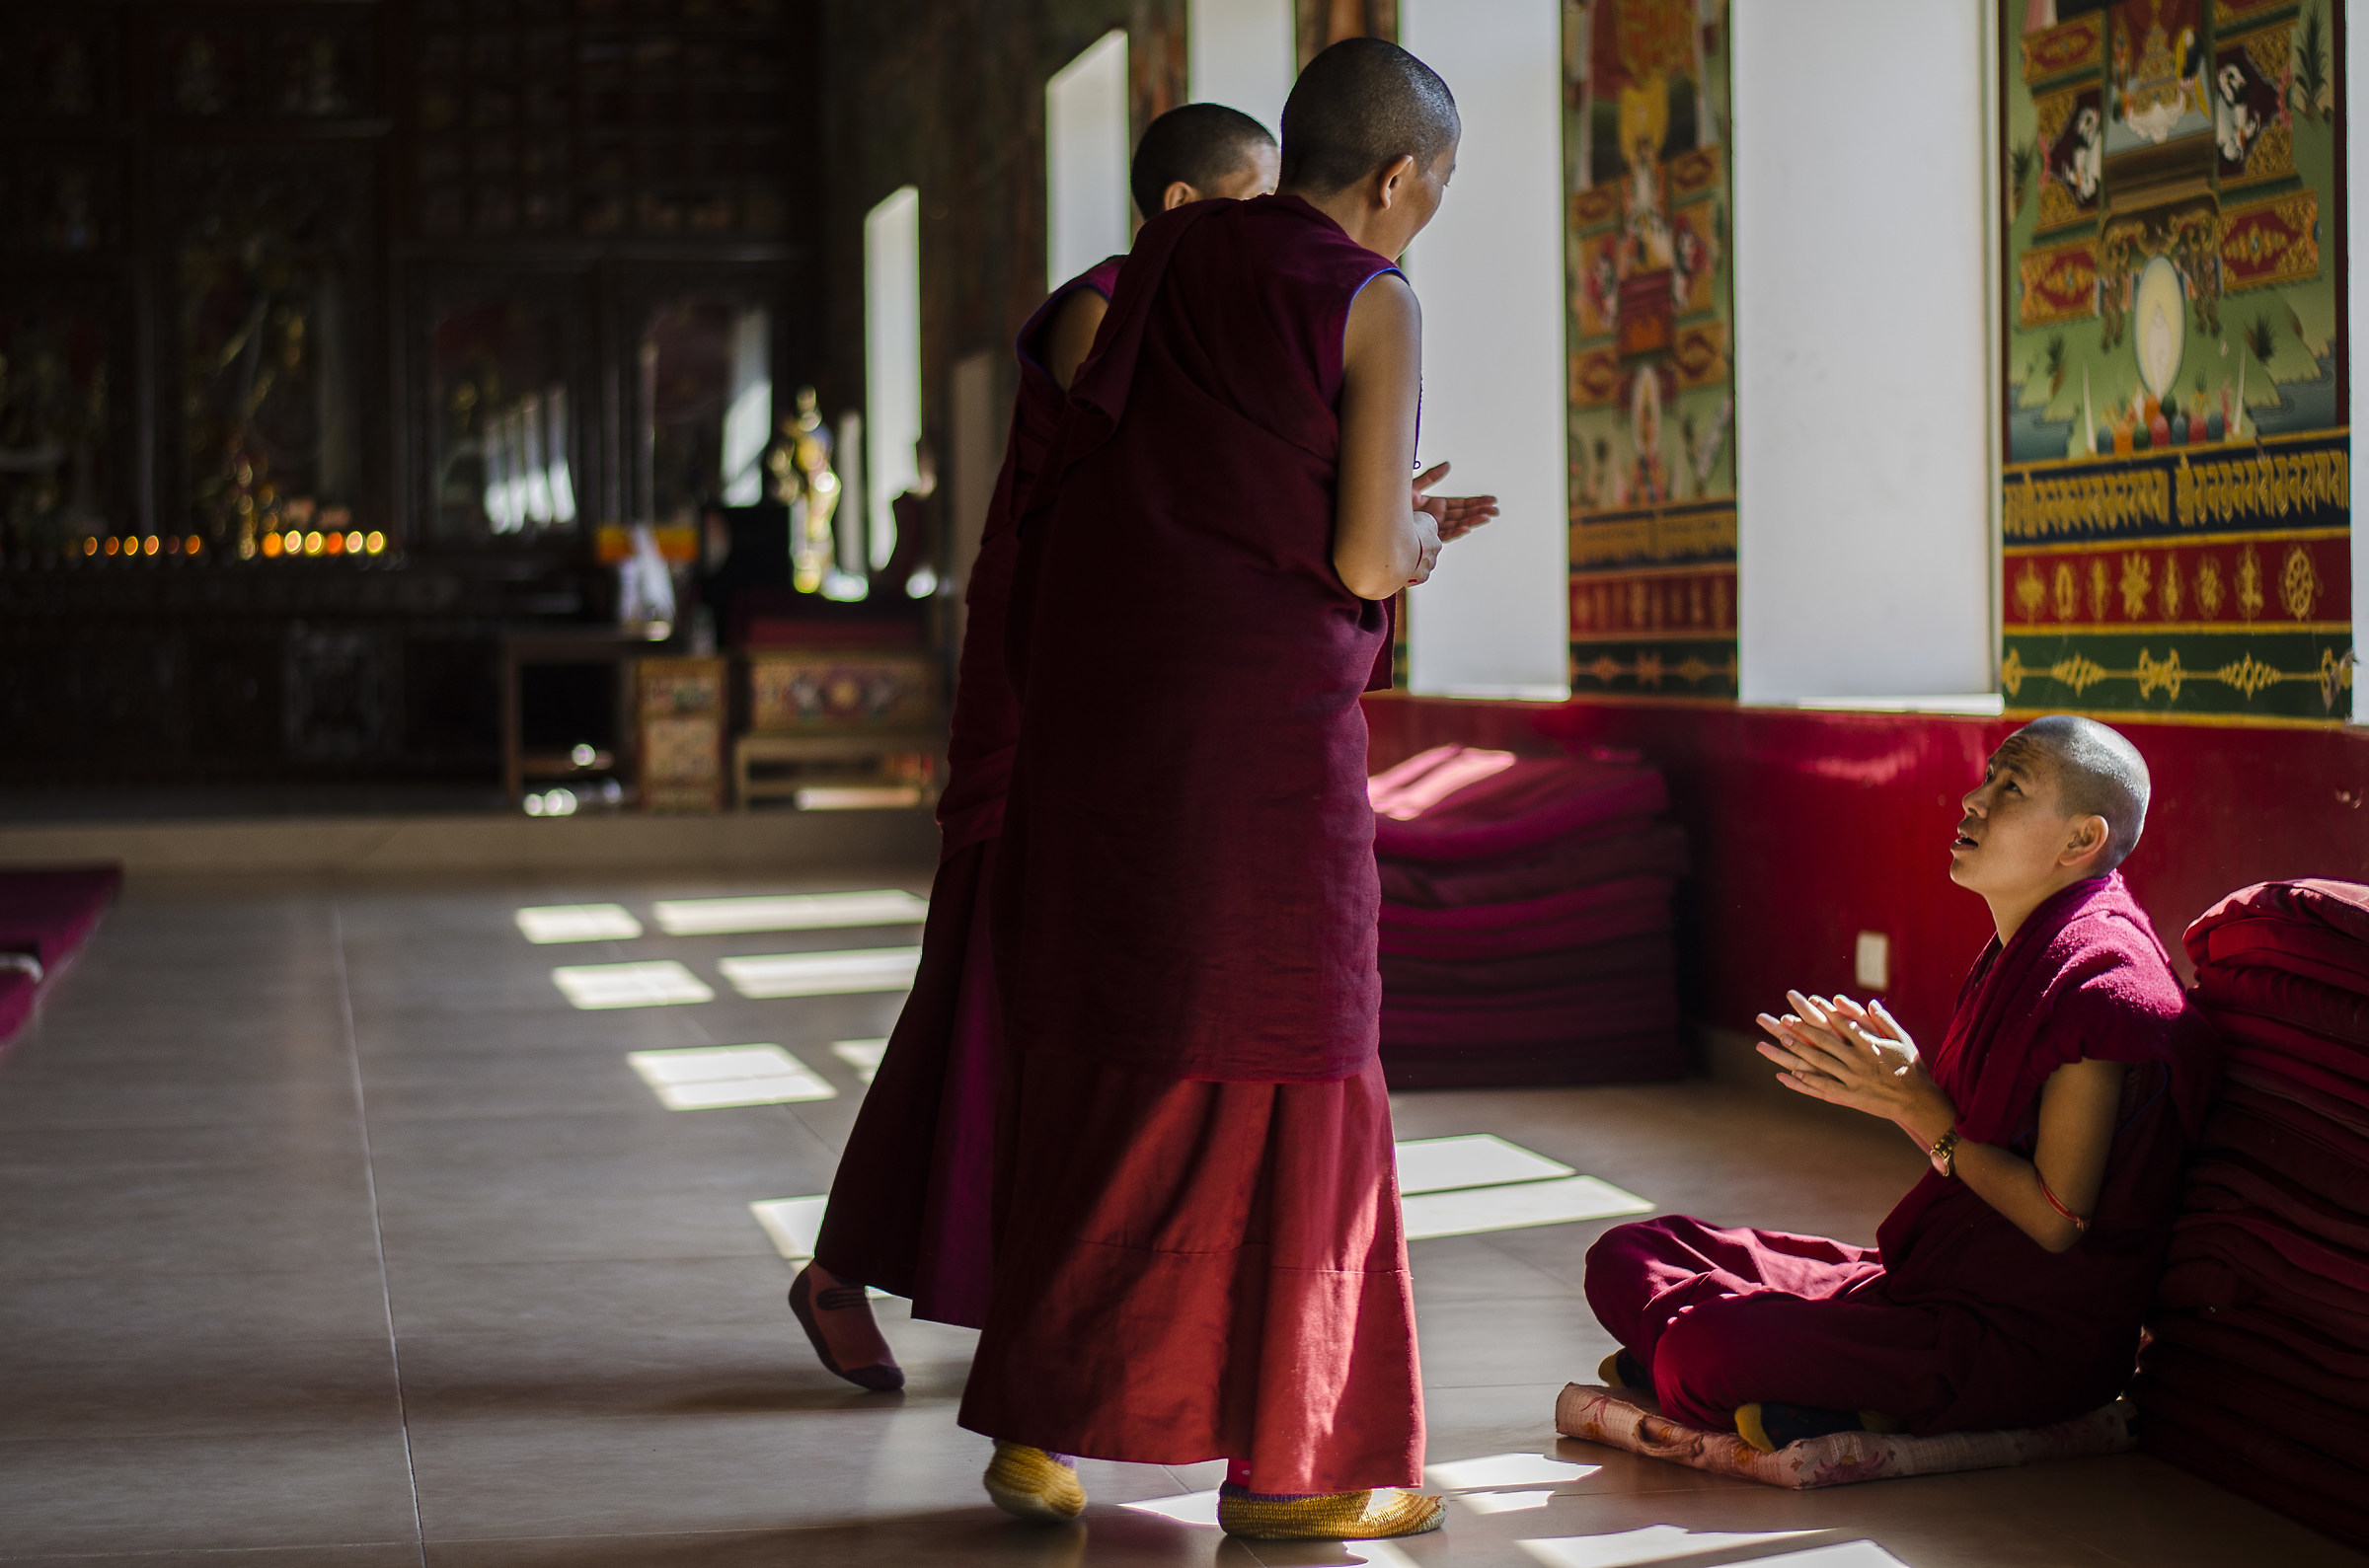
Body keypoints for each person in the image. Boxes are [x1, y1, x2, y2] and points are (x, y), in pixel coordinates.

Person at [956, 39, 1497, 1542]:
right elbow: (1364, 558)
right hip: (1265, 750)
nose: (1425, 216)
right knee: (1300, 1063)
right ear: (1397, 177)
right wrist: (1422, 541)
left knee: (1123, 1056)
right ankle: (1299, 1464)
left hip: (1113, 732)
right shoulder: (1370, 293)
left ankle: (1041, 1432)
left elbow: (1142, 469)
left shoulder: (1171, 261)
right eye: (1436, 189)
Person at [789, 103, 1283, 1392]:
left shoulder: (1188, 318)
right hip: (1043, 674)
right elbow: (1156, 486)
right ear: (1183, 210)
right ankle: (841, 1267)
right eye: (1250, 207)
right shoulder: (1097, 310)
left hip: (1126, 677)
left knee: (1051, 991)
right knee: (984, 978)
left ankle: (1011, 1271)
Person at [1585, 715, 2220, 1452]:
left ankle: (1742, 1364)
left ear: (2081, 839)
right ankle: (1779, 1377)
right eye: (1987, 778)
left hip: (2015, 1341)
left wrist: (1914, 1103)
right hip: (1924, 1287)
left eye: (2009, 786)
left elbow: (2054, 1218)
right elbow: (1969, 1146)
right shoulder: (2028, 949)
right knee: (1627, 1253)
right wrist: (1892, 1090)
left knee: (1700, 1353)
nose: (1972, 800)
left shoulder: (2101, 985)